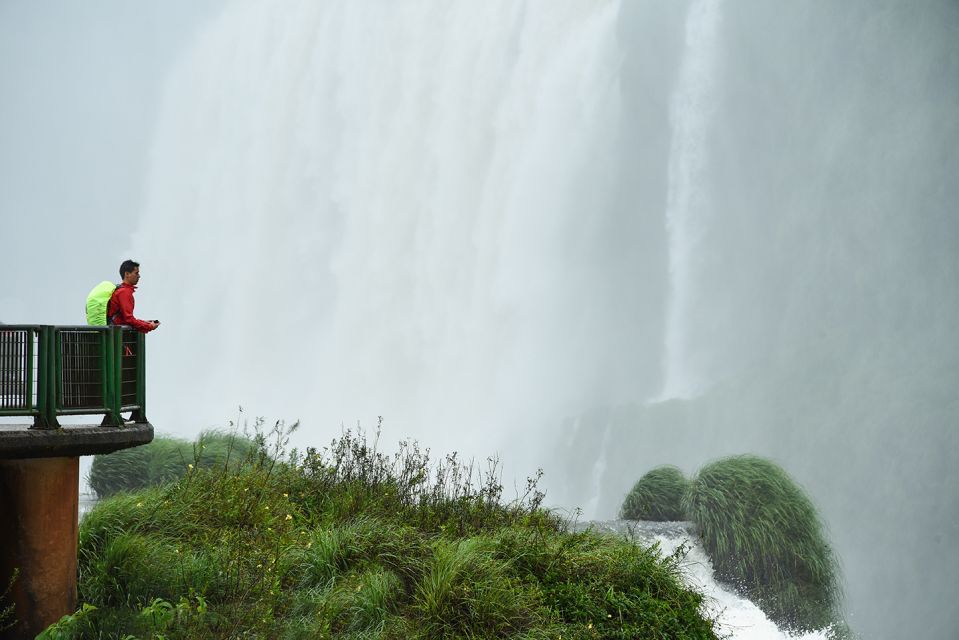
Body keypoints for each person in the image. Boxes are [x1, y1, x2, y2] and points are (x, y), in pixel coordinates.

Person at [107, 259, 160, 333]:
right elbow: (128, 319)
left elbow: (125, 318)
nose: (139, 276)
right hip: (116, 335)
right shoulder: (124, 292)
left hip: (114, 331)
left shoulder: (120, 289)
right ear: (127, 274)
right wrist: (149, 326)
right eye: (136, 273)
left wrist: (145, 322)